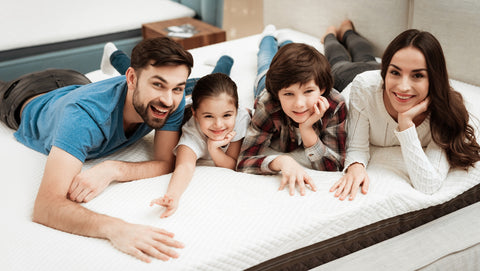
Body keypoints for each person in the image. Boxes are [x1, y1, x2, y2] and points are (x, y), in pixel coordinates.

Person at [0, 37, 194, 263]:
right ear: (131, 78)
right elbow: (46, 206)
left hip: (74, 80)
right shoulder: (83, 117)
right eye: (158, 84)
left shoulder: (171, 101)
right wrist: (116, 229)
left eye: (178, 88)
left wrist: (113, 170)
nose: (168, 100)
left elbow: (165, 161)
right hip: (24, 93)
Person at [326, 20, 480, 200]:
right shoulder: (365, 88)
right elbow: (357, 147)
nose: (404, 86)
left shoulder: (443, 114)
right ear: (387, 71)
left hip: (380, 73)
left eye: (418, 75)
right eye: (395, 72)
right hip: (350, 77)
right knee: (338, 60)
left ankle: (348, 31)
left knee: (366, 56)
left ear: (434, 79)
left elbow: (428, 185)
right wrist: (356, 166)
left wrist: (406, 125)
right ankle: (331, 35)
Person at [237, 25, 347, 196]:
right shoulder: (267, 103)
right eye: (289, 94)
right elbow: (244, 161)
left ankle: (285, 41)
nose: (299, 104)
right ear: (278, 94)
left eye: (309, 91)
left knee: (293, 61)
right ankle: (268, 37)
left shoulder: (335, 104)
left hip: (289, 80)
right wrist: (280, 161)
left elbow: (334, 166)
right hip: (266, 82)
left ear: (323, 88)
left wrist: (307, 129)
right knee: (265, 62)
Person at [150, 73, 251, 217]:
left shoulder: (240, 119)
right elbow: (184, 166)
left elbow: (232, 164)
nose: (218, 125)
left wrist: (213, 149)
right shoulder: (192, 133)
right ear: (195, 115)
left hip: (213, 99)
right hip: (189, 101)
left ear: (236, 110)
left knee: (220, 72)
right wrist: (172, 196)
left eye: (227, 115)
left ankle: (225, 60)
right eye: (208, 116)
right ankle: (116, 55)